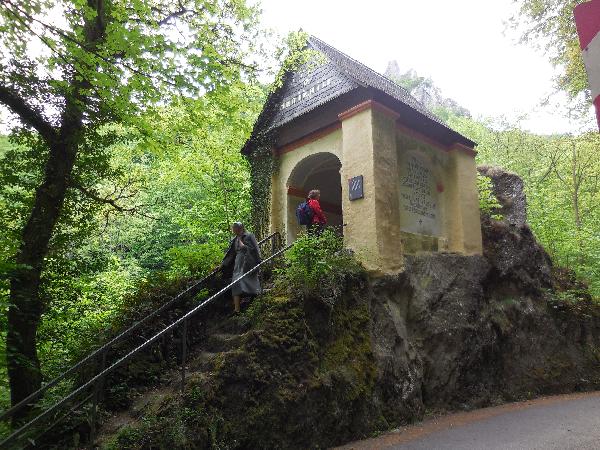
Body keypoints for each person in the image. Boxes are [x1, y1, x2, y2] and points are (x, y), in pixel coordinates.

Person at [220, 222, 261, 313]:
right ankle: (237, 309)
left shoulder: (249, 236)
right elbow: (230, 254)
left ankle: (255, 296)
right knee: (235, 282)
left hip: (248, 262)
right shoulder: (234, 239)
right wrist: (222, 265)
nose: (233, 230)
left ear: (240, 228)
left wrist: (244, 247)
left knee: (249, 280)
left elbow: (256, 250)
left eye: (234, 228)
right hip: (238, 264)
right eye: (233, 229)